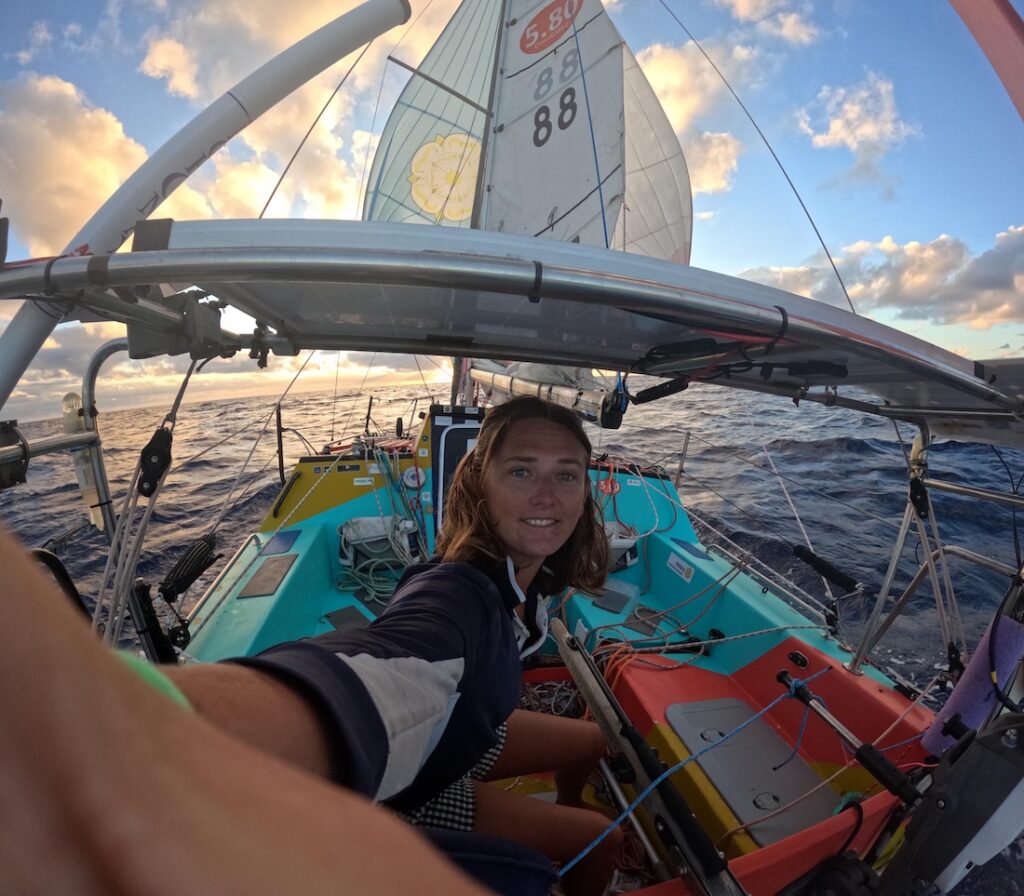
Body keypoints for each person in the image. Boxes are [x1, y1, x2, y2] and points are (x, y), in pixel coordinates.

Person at [1, 396, 621, 895]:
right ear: (479, 485)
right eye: (521, 471)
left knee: (597, 738)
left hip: (461, 732)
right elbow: (383, 668)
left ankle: (563, 799)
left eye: (565, 475)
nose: (547, 495)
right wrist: (132, 731)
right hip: (409, 787)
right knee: (603, 838)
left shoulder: (526, 572)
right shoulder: (459, 593)